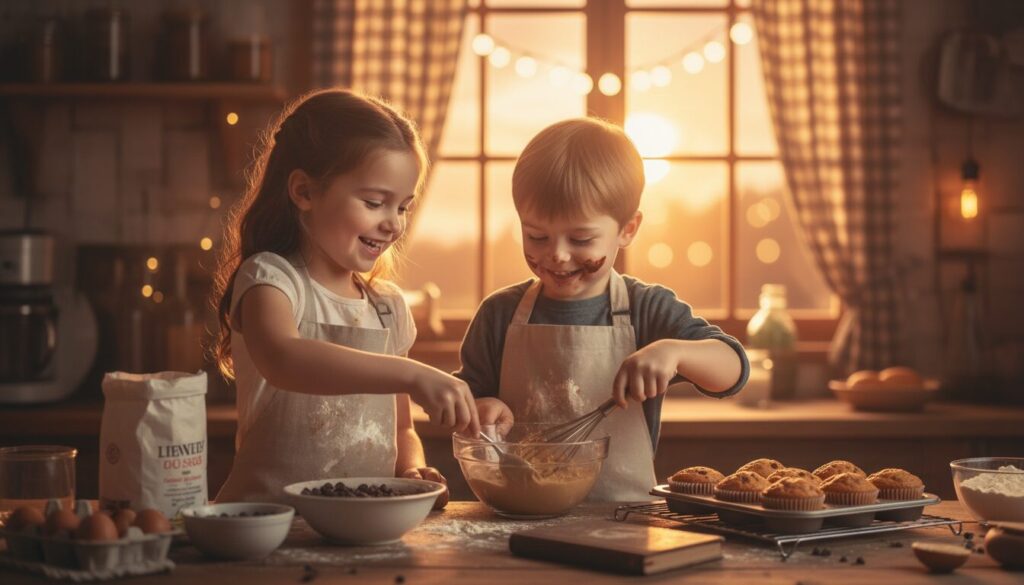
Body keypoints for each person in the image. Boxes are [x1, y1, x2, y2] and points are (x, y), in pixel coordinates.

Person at [457, 118, 749, 501]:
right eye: (536, 236)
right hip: (518, 514)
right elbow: (464, 405)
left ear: (627, 229)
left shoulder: (647, 309)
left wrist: (675, 352)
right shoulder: (499, 315)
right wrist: (481, 409)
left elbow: (732, 370)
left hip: (625, 517)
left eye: (581, 239)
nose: (557, 254)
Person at [211, 89, 478, 505]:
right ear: (304, 192)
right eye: (375, 202)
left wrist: (411, 468)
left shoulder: (388, 307)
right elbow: (284, 358)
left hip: (364, 523)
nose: (393, 225)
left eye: (403, 207)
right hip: (271, 523)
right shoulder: (270, 279)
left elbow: (401, 429)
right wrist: (411, 374)